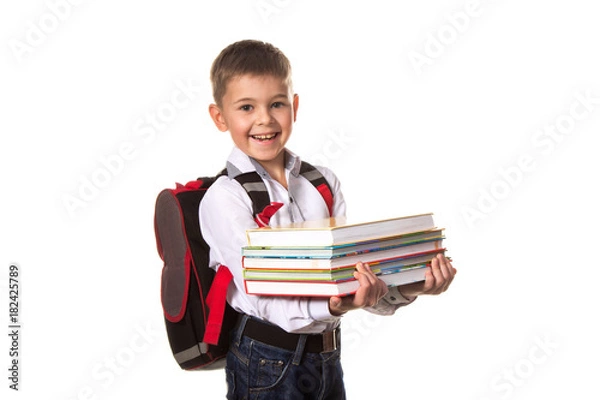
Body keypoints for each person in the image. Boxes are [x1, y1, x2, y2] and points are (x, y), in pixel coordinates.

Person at [199, 39, 456, 399]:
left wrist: (412, 286)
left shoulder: (322, 182)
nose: (265, 119)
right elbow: (263, 299)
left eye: (277, 104)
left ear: (295, 106)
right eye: (246, 107)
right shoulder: (225, 198)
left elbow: (355, 279)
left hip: (326, 356)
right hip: (265, 360)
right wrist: (335, 304)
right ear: (220, 117)